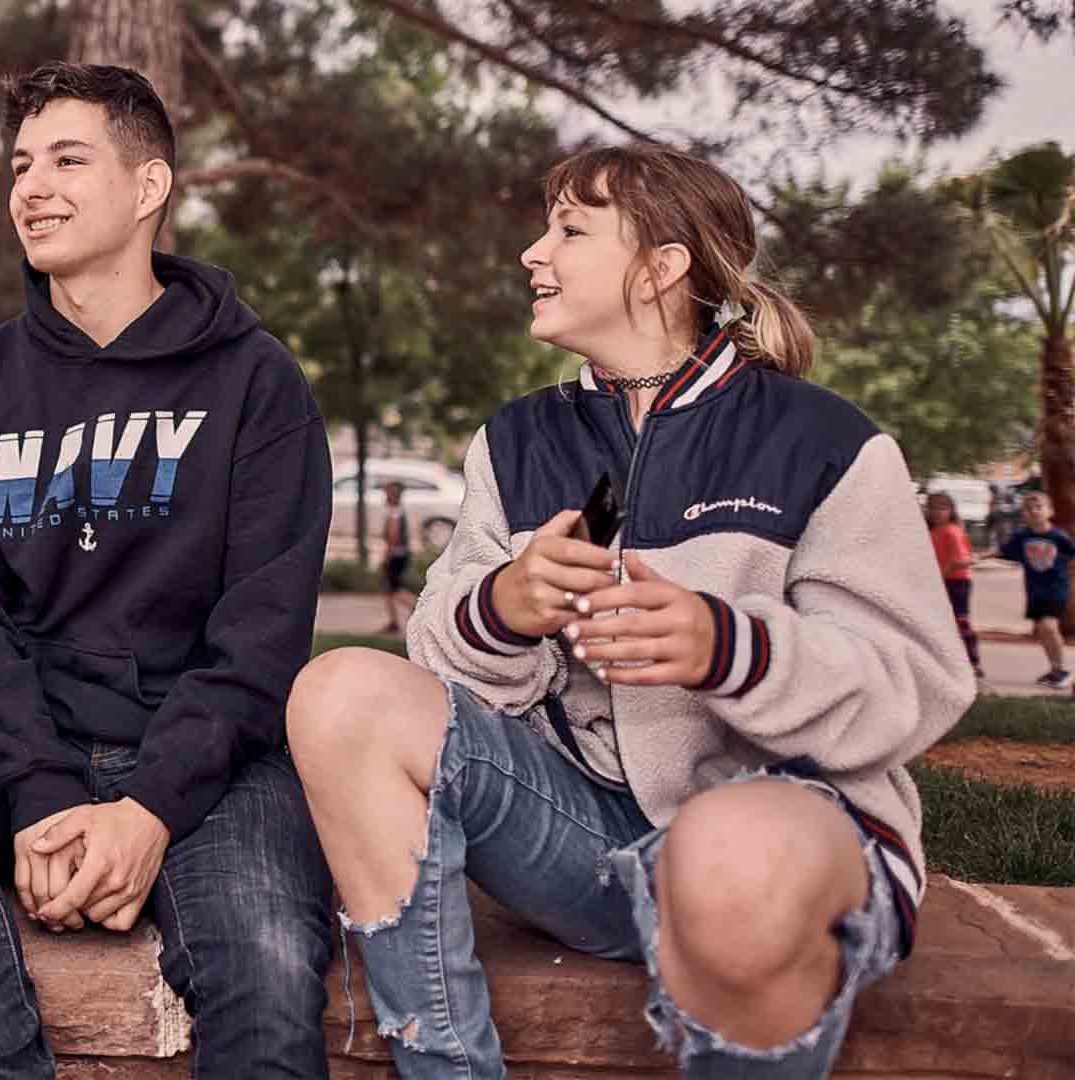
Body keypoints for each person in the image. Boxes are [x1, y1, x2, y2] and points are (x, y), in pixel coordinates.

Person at [285, 144, 973, 1078]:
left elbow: (916, 688)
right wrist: (505, 605)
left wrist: (728, 647)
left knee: (727, 853)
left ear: (663, 266)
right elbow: (441, 673)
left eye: (569, 230)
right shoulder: (517, 441)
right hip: (580, 844)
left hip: (785, 843)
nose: (534, 252)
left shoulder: (825, 442)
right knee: (338, 692)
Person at [0, 62, 336, 1078]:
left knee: (266, 975)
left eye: (67, 159)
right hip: (25, 752)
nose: (30, 188)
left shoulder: (254, 380)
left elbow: (262, 636)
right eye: (19, 165)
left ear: (149, 189)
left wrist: (149, 812)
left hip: (213, 766)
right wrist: (44, 796)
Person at [994, 491, 1075, 688]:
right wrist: (977, 558)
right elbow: (1002, 551)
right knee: (1042, 632)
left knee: (1049, 626)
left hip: (1056, 589)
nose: (1034, 511)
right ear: (1024, 514)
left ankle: (1063, 671)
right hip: (1034, 591)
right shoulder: (1022, 536)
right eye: (1029, 509)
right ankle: (1054, 670)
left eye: (1039, 507)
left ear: (1050, 511)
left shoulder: (1059, 537)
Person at [927, 491, 983, 679]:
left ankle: (973, 661)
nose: (937, 512)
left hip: (956, 581)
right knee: (942, 622)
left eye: (942, 508)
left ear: (951, 510)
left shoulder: (952, 531)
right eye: (933, 507)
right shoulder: (933, 532)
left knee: (960, 621)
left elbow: (961, 561)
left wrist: (941, 576)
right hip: (943, 580)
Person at [380, 480, 414, 633]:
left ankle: (418, 606)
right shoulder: (397, 510)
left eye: (387, 492)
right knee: (389, 590)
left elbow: (393, 536)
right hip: (401, 554)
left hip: (396, 555)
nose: (385, 495)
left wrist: (386, 556)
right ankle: (393, 622)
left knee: (395, 590)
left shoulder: (394, 512)